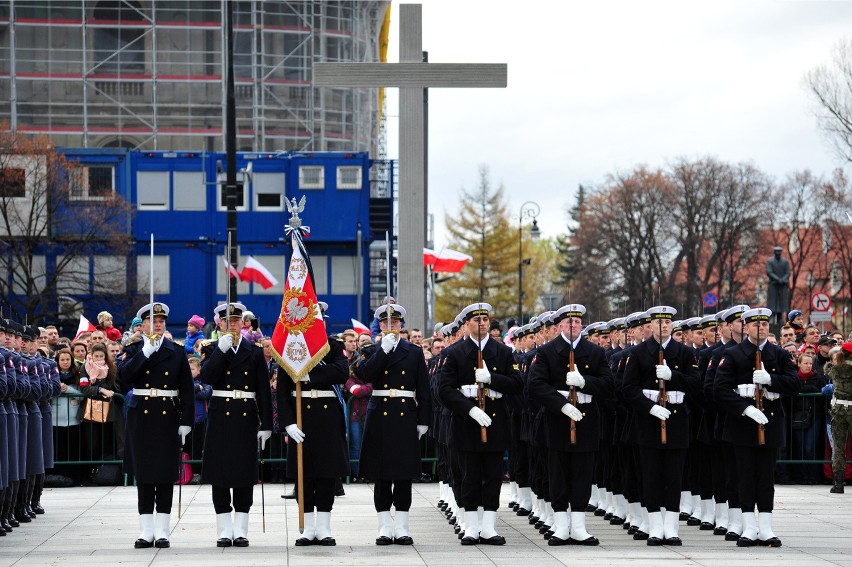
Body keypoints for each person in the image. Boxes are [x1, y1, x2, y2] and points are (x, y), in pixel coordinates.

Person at [527, 304, 614, 546]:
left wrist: (584, 382)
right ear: (559, 326)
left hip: (585, 419)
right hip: (557, 419)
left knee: (582, 473)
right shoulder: (546, 352)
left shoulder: (595, 352)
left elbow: (609, 385)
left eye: (577, 322)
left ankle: (578, 527)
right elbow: (535, 384)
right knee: (558, 473)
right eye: (569, 322)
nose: (574, 325)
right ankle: (561, 527)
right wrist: (562, 404)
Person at [714, 307, 800, 547]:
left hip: (770, 423)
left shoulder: (779, 354)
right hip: (743, 424)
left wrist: (772, 380)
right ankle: (749, 526)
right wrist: (746, 409)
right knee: (744, 476)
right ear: (746, 327)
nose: (761, 328)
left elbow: (794, 384)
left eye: (764, 325)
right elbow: (719, 389)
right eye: (755, 325)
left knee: (765, 476)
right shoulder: (733, 354)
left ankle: (766, 527)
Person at [439, 302, 522, 546]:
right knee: (470, 475)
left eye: (485, 319)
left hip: (495, 422)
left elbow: (517, 384)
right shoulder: (454, 354)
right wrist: (470, 409)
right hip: (467, 422)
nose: (483, 323)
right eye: (477, 320)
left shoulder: (504, 353)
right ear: (467, 325)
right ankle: (471, 527)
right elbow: (445, 390)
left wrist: (492, 379)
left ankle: (488, 528)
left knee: (493, 475)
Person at [118, 302, 195, 549]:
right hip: (142, 416)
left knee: (164, 475)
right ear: (143, 325)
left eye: (161, 321)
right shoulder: (134, 348)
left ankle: (162, 531)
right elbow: (123, 379)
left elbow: (186, 389)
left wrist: (186, 421)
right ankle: (145, 531)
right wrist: (145, 354)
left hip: (167, 417)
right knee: (144, 476)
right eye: (153, 321)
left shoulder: (176, 350)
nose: (158, 324)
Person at [622, 306, 700, 546]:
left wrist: (673, 376)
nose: (664, 326)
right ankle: (655, 526)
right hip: (648, 422)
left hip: (676, 422)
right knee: (651, 475)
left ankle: (672, 527)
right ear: (650, 326)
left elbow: (696, 385)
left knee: (674, 475)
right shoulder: (638, 353)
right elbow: (628, 389)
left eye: (667, 322)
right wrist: (649, 407)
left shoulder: (685, 353)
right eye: (659, 322)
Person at [355, 303, 430, 546]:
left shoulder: (414, 351)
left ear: (401, 324)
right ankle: (385, 526)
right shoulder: (372, 350)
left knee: (404, 474)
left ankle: (403, 527)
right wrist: (382, 352)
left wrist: (424, 420)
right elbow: (365, 375)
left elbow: (424, 389)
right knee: (382, 473)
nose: (391, 326)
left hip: (405, 414)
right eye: (387, 322)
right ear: (380, 325)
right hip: (380, 415)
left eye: (395, 322)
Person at [276, 301, 348, 546]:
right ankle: (307, 528)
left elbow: (342, 372)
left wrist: (311, 375)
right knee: (303, 474)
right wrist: (287, 423)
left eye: (321, 321)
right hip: (301, 417)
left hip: (327, 417)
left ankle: (324, 527)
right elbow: (283, 391)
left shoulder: (334, 346)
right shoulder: (291, 348)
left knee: (327, 474)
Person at [201, 302, 272, 548]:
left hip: (245, 415)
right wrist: (220, 351)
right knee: (219, 473)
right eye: (226, 321)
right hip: (221, 414)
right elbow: (208, 377)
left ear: (243, 323)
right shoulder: (211, 349)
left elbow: (263, 389)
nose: (231, 325)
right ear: (219, 323)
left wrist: (266, 424)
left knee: (244, 473)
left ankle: (240, 529)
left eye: (236, 321)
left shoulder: (253, 351)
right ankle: (224, 529)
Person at [790, 352, 825, 484]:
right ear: (798, 364)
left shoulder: (818, 378)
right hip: (797, 416)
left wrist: (809, 388)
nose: (808, 366)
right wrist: (807, 389)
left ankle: (812, 475)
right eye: (805, 363)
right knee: (799, 447)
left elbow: (822, 394)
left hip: (814, 417)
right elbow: (790, 393)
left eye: (810, 363)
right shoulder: (794, 378)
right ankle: (802, 475)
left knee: (810, 447)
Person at [824, 342, 852, 493]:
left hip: (839, 410)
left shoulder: (836, 369)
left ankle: (838, 483)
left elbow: (827, 370)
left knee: (839, 447)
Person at [765, 247, 790, 326]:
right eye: (777, 252)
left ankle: (780, 319)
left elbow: (788, 272)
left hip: (782, 286)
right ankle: (772, 318)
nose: (778, 253)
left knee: (781, 303)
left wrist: (782, 280)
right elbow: (769, 272)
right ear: (774, 252)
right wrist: (778, 279)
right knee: (772, 303)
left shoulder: (785, 262)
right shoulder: (770, 261)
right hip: (773, 285)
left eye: (779, 252)